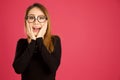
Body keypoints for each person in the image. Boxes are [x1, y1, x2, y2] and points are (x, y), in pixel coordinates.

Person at [12, 3, 61, 80]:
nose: (36, 22)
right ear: (26, 21)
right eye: (31, 18)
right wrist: (32, 42)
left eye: (41, 18)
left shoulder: (55, 40)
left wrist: (39, 40)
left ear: (46, 22)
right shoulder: (22, 43)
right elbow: (18, 69)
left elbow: (53, 67)